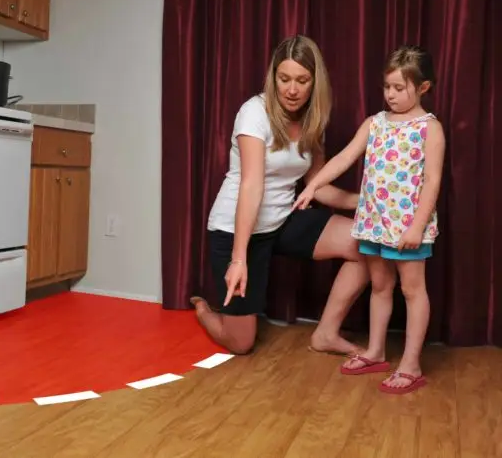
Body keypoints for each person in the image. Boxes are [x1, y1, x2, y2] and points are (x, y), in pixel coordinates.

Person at [190, 35, 370, 356]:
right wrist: (239, 258)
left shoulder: (313, 122)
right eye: (284, 79)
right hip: (236, 229)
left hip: (282, 220)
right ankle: (205, 312)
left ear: (315, 82)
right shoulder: (253, 113)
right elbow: (252, 185)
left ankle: (326, 334)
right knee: (241, 343)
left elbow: (319, 186)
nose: (292, 89)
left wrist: (366, 201)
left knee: (365, 246)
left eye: (302, 80)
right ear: (273, 78)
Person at [294, 45, 443, 394]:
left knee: (412, 289)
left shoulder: (429, 129)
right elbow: (345, 157)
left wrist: (418, 226)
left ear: (422, 88)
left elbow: (433, 180)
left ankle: (411, 364)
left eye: (399, 88)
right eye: (387, 87)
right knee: (379, 286)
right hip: (374, 223)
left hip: (408, 227)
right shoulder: (374, 123)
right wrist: (314, 185)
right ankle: (376, 352)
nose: (390, 94)